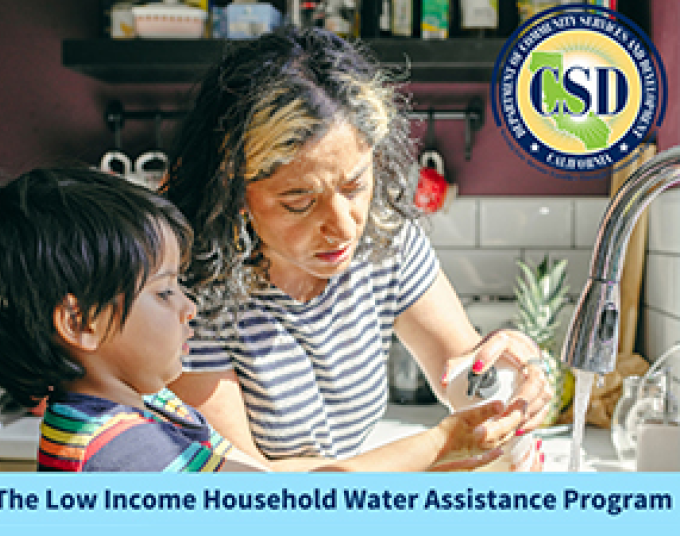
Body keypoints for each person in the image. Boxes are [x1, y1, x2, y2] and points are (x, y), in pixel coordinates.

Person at [163, 25, 551, 471]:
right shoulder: (184, 295)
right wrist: (438, 447)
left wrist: (503, 381)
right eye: (299, 202)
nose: (344, 228)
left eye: (354, 186)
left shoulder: (386, 241)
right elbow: (243, 482)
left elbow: (460, 371)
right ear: (234, 189)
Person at [0, 166, 522, 472]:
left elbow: (269, 486)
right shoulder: (115, 452)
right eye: (163, 293)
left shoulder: (148, 405)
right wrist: (437, 443)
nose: (190, 307)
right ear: (81, 323)